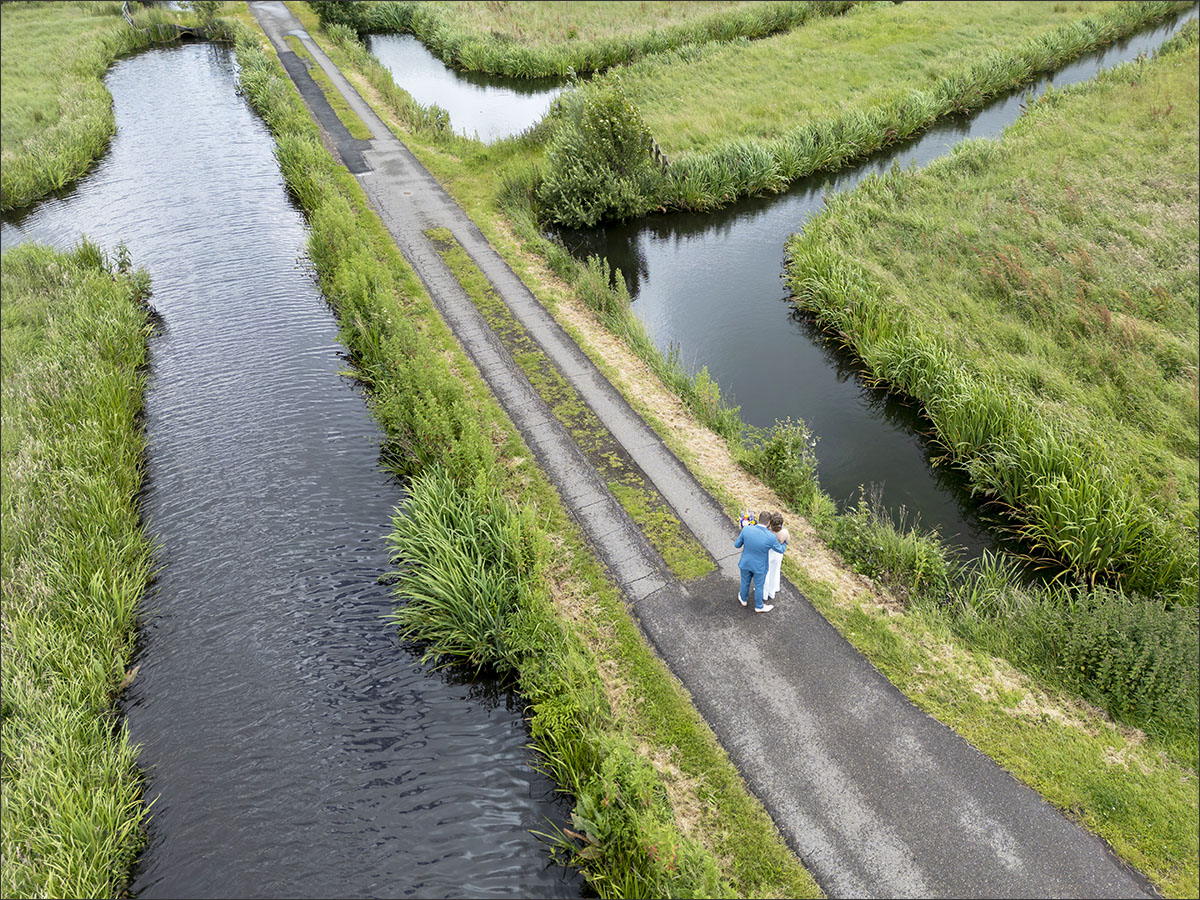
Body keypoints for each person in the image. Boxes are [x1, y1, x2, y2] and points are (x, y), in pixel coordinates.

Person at [734, 509, 787, 613]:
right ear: (769, 522)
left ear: (759, 519)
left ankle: (743, 599)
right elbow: (780, 550)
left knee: (745, 582)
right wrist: (784, 542)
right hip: (760, 566)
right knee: (759, 586)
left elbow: (737, 545)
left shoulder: (746, 529)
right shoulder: (771, 537)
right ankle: (759, 606)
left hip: (745, 562)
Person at [762, 513, 790, 603]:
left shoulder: (768, 531)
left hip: (769, 553)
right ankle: (772, 590)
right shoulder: (784, 532)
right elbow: (788, 542)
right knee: (775, 571)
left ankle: (764, 592)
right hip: (778, 554)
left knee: (766, 571)